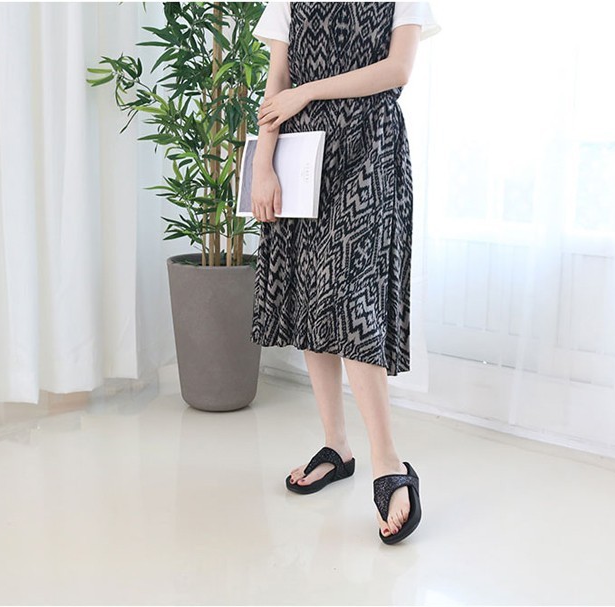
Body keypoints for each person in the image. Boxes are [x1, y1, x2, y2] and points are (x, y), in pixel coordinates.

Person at [249, 1, 441, 544]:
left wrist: (308, 92)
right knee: (316, 296)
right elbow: (277, 82)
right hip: (305, 156)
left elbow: (398, 69)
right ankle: (337, 446)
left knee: (354, 298)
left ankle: (388, 463)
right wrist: (263, 163)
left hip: (371, 151)